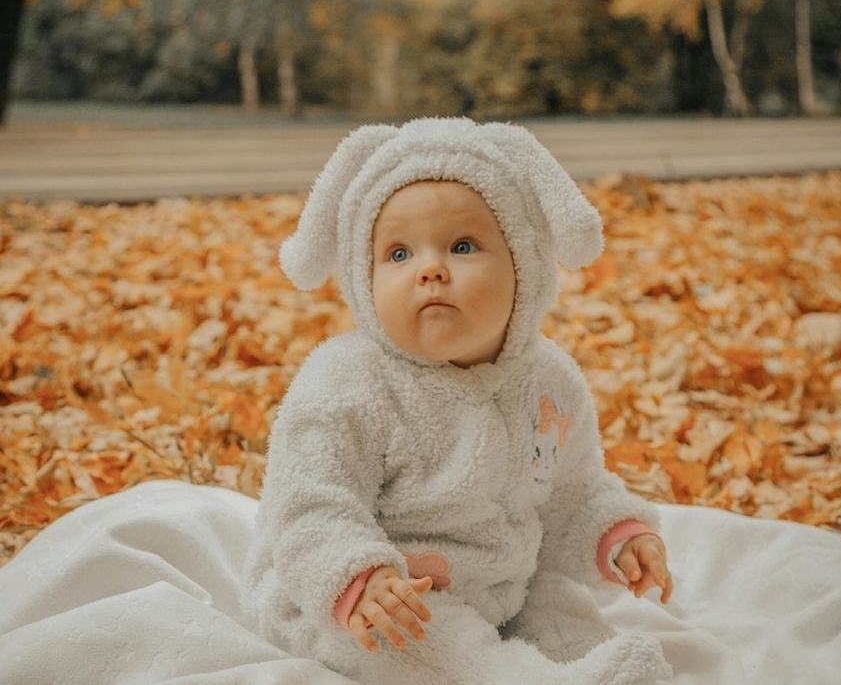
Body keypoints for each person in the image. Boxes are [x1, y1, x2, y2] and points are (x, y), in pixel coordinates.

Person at [242, 117, 673, 685]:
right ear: (361, 277)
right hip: (361, 597)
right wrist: (359, 577)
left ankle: (594, 666)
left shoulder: (549, 381)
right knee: (423, 640)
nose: (430, 270)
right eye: (398, 254)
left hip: (502, 580)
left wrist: (615, 533)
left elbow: (571, 491)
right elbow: (308, 506)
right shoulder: (346, 383)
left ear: (525, 264)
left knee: (558, 604)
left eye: (462, 245)